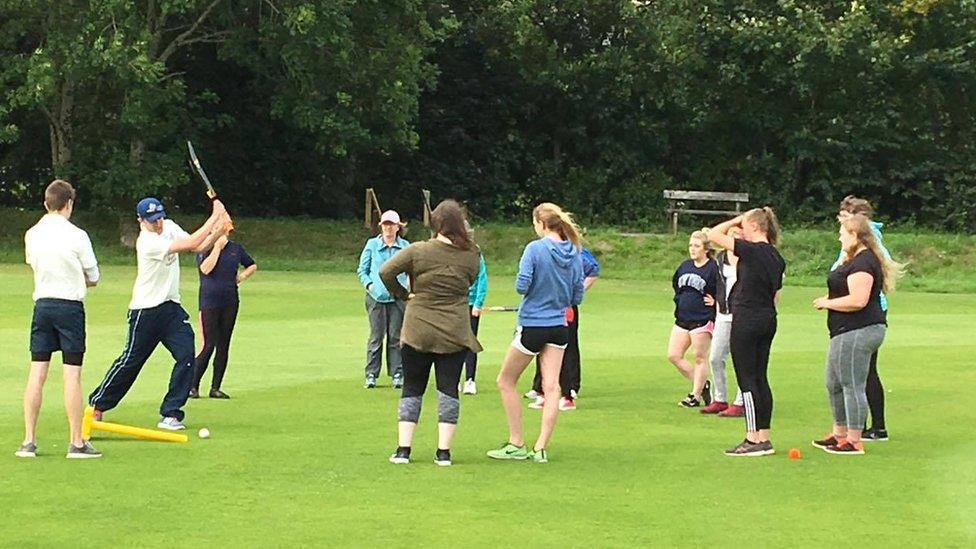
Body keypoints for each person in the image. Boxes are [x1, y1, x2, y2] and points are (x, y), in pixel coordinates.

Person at [88, 197, 229, 431]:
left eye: (161, 217)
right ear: (141, 221)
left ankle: (171, 414)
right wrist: (215, 216)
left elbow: (197, 246)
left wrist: (218, 230)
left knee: (186, 356)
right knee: (131, 362)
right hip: (145, 311)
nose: (159, 223)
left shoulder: (170, 226)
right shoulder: (146, 242)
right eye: (153, 221)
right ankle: (97, 404)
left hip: (171, 308)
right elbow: (190, 242)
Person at [380, 200, 482, 467]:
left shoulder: (417, 250)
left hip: (418, 328)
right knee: (449, 389)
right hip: (454, 330)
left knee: (412, 387)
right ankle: (443, 452)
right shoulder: (472, 253)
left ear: (435, 224)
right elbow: (471, 279)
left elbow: (385, 271)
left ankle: (404, 450)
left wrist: (403, 295)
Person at [487, 203, 584, 464]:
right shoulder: (574, 251)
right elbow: (577, 294)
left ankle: (516, 442)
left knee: (505, 380)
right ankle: (541, 447)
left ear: (541, 224)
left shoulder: (535, 249)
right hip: (559, 327)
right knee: (552, 387)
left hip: (532, 324)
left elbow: (522, 285)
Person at [18, 180, 102, 459]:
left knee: (37, 372)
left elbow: (35, 264)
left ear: (46, 204)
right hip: (69, 307)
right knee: (72, 374)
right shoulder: (77, 235)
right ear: (69, 204)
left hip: (42, 306)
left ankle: (29, 441)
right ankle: (76, 442)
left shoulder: (32, 233)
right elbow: (93, 276)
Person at [812, 215, 900, 455]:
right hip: (843, 330)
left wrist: (827, 302)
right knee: (834, 383)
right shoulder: (852, 259)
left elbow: (858, 300)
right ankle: (839, 434)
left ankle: (854, 440)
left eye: (843, 232)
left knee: (852, 384)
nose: (839, 236)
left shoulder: (863, 262)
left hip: (859, 329)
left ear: (855, 235)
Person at [705, 207, 785, 457]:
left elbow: (712, 234)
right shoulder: (775, 256)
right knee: (761, 377)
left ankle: (753, 438)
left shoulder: (751, 250)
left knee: (747, 379)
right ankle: (764, 435)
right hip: (767, 317)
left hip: (747, 318)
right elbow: (775, 294)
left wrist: (739, 218)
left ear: (754, 227)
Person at [832, 196, 892, 441]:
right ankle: (866, 424)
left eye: (846, 217)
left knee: (864, 372)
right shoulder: (852, 240)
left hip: (867, 311)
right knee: (861, 371)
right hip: (859, 310)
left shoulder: (868, 242)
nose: (841, 222)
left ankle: (874, 426)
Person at [526, 247, 599, 411]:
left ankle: (568, 393)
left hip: (564, 307)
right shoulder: (544, 251)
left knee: (564, 348)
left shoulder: (574, 254)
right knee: (543, 348)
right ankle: (543, 391)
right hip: (546, 306)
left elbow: (592, 270)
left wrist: (575, 295)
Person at [189, 226, 257, 399]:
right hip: (209, 302)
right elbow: (206, 269)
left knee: (224, 344)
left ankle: (215, 387)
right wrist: (217, 248)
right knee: (209, 344)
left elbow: (252, 265)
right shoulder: (206, 248)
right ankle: (193, 386)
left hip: (230, 301)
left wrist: (241, 277)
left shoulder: (236, 249)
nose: (225, 236)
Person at [357, 210, 410, 389]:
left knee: (395, 337)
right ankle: (371, 373)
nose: (388, 228)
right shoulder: (372, 245)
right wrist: (370, 286)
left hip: (397, 298)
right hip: (376, 298)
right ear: (381, 226)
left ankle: (397, 373)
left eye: (391, 225)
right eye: (385, 224)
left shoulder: (405, 247)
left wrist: (408, 290)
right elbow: (362, 270)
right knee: (376, 336)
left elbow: (412, 271)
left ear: (398, 227)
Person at [667, 231, 718, 408]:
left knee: (699, 357)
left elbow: (724, 290)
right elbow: (676, 285)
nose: (692, 249)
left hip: (702, 319)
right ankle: (703, 384)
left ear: (706, 249)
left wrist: (716, 301)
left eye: (696, 246)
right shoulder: (685, 266)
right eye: (690, 245)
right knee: (674, 355)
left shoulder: (713, 268)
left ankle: (695, 396)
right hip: (682, 318)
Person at [701, 227, 745, 416]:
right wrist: (718, 307)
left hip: (743, 313)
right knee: (715, 357)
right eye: (731, 235)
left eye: (738, 236)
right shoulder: (720, 259)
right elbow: (719, 285)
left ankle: (741, 401)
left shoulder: (748, 259)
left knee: (741, 358)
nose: (734, 238)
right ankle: (720, 398)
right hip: (724, 313)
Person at [462, 243, 488, 395]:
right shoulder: (449, 250)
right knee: (453, 342)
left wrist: (478, 303)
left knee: (470, 342)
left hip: (471, 304)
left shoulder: (475, 252)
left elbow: (482, 277)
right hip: (454, 303)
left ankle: (470, 379)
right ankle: (454, 378)